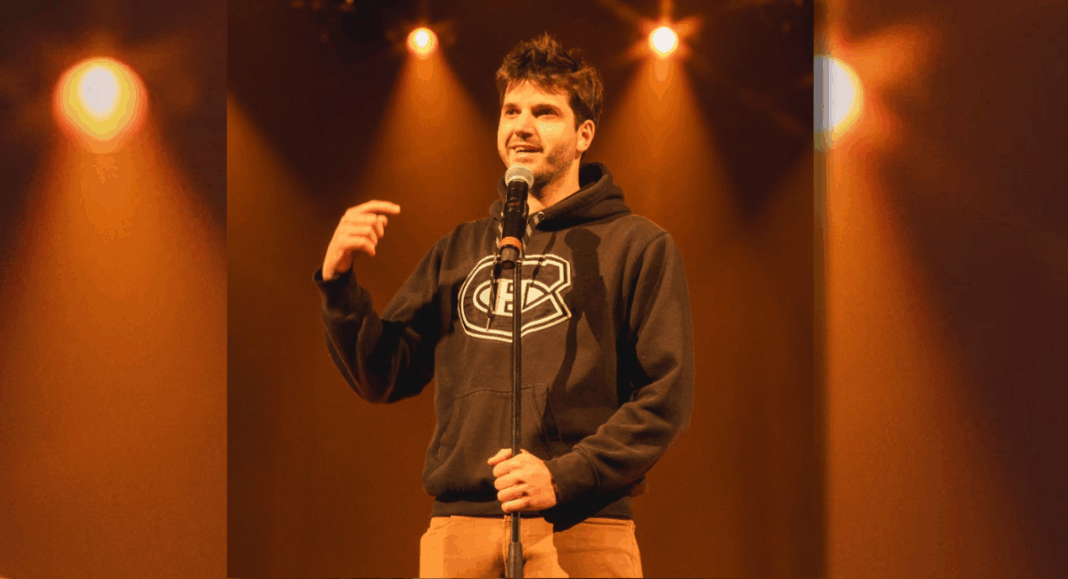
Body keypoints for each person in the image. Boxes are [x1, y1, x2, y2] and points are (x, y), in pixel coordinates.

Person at [315, 33, 694, 578]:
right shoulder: (460, 249)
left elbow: (665, 398)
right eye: (511, 110)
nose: (521, 126)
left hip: (582, 525)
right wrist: (338, 284)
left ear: (584, 134)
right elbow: (383, 372)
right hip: (460, 531)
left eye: (545, 112)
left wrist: (565, 476)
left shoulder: (637, 246)